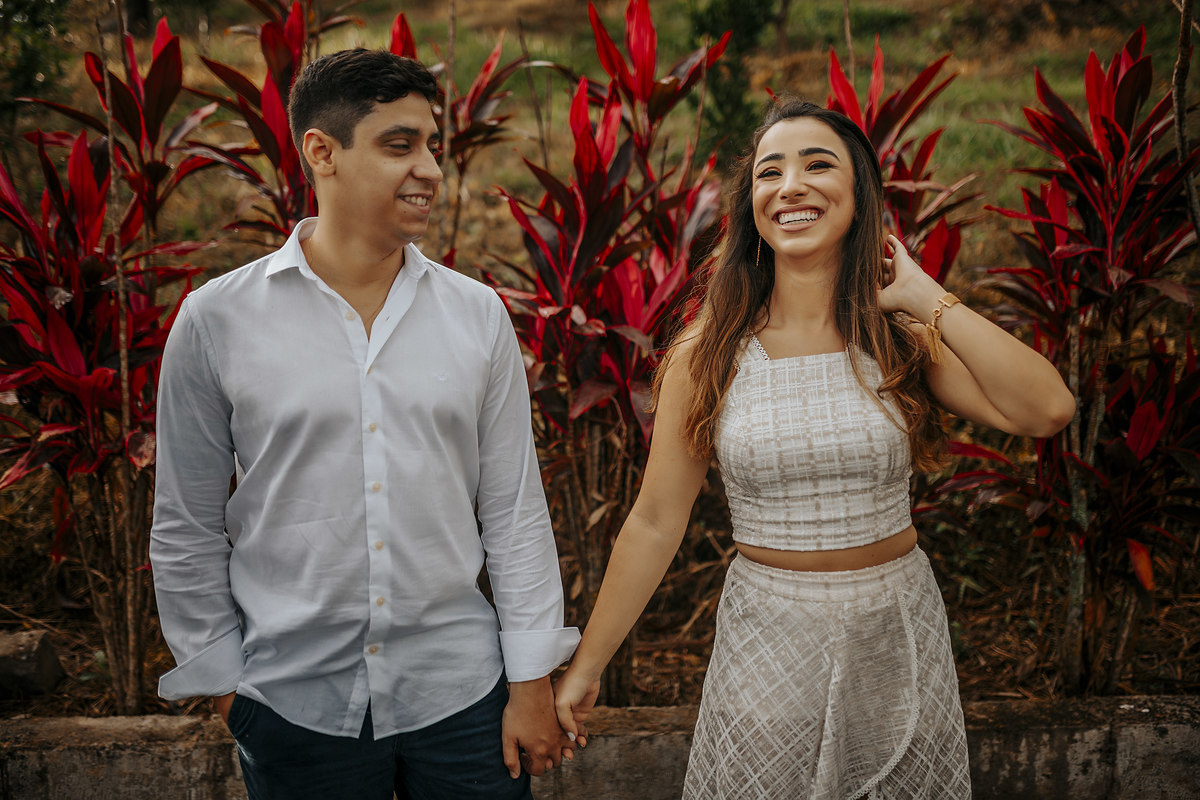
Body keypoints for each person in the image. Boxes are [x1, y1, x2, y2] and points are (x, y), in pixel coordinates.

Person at [553, 99, 1076, 798]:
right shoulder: (706, 354)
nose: (790, 185)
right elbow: (655, 521)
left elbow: (1047, 409)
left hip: (895, 626)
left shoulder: (898, 339)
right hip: (768, 632)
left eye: (817, 164)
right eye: (770, 172)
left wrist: (922, 293)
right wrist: (586, 669)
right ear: (752, 209)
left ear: (861, 197)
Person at [150, 49, 579, 800]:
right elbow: (184, 523)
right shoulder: (216, 320)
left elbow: (513, 511)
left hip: (464, 699)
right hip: (292, 704)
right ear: (323, 152)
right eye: (398, 144)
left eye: (433, 147)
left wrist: (531, 680)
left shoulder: (477, 316)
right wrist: (225, 688)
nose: (430, 169)